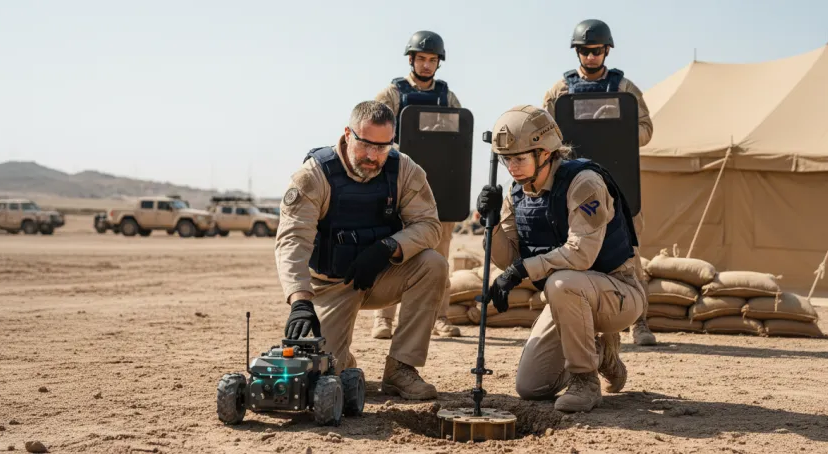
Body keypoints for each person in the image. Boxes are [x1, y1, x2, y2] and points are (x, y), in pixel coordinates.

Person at [476, 105, 645, 412]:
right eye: (506, 159)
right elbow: (507, 258)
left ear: (545, 152)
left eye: (519, 158)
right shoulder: (518, 193)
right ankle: (600, 353)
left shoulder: (585, 183)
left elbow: (580, 254)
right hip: (568, 299)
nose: (511, 167)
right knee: (531, 387)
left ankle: (585, 380)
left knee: (561, 281)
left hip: (618, 294)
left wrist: (521, 270)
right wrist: (490, 224)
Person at [275, 100, 446, 400]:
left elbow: (429, 225)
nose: (372, 156)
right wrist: (300, 301)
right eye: (365, 144)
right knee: (319, 378)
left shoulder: (403, 169)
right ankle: (343, 362)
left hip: (379, 275)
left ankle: (401, 369)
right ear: (347, 134)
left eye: (382, 147)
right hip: (331, 285)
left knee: (433, 264)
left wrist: (388, 247)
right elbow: (292, 240)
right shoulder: (314, 175)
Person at [542, 19, 656, 345]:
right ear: (577, 53)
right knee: (575, 251)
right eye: (585, 52)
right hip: (576, 183)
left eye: (596, 52)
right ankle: (580, 320)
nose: (591, 58)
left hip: (618, 183)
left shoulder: (625, 89)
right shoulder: (559, 92)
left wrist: (616, 130)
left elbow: (646, 131)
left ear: (606, 51)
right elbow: (546, 134)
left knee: (629, 253)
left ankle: (640, 323)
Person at [371, 30, 463, 339]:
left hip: (438, 189)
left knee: (440, 255)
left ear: (439, 63)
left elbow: (458, 141)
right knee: (391, 249)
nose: (426, 65)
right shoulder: (392, 94)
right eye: (421, 59)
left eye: (432, 60)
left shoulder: (447, 98)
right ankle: (383, 319)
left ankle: (440, 317)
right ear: (411, 60)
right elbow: (372, 133)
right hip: (398, 186)